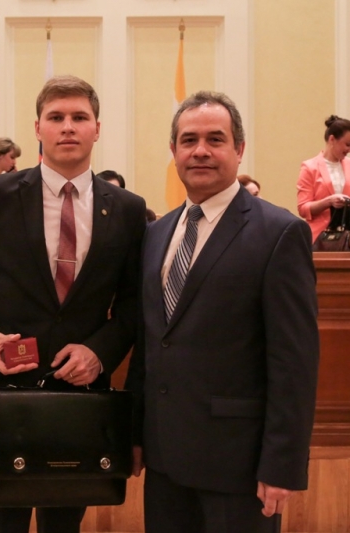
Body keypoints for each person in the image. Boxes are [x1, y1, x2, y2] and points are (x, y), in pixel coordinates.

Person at [0, 75, 147, 533]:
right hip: (2, 397)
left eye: (79, 117)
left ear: (97, 128)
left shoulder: (127, 208)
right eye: (56, 117)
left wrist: (99, 352)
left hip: (80, 401)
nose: (68, 126)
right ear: (38, 128)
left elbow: (133, 304)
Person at [125, 91, 319, 533]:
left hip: (238, 465)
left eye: (215, 139)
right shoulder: (155, 234)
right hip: (164, 460)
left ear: (239, 149)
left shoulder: (279, 233)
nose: (201, 151)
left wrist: (282, 464)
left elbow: (294, 362)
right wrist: (135, 433)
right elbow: (150, 343)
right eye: (188, 140)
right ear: (173, 151)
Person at [297, 115, 350, 242]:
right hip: (319, 238)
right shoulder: (309, 167)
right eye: (348, 144)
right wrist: (328, 201)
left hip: (348, 238)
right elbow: (303, 209)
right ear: (332, 139)